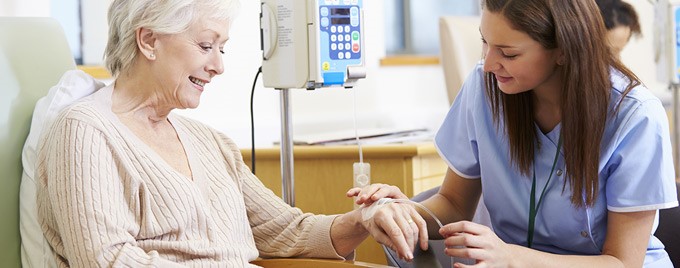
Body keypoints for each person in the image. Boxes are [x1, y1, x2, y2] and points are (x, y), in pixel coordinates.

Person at [35, 0, 427, 266]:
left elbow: (286, 230)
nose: (218, 66)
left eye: (222, 48)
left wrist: (361, 220)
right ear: (149, 40)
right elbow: (107, 260)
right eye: (206, 45)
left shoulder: (210, 142)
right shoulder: (84, 132)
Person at [353, 0, 678, 267]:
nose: (489, 63)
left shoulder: (634, 115)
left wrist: (510, 257)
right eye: (484, 42)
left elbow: (623, 262)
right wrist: (401, 210)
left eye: (509, 53)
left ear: (564, 51)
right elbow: (453, 203)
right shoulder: (484, 88)